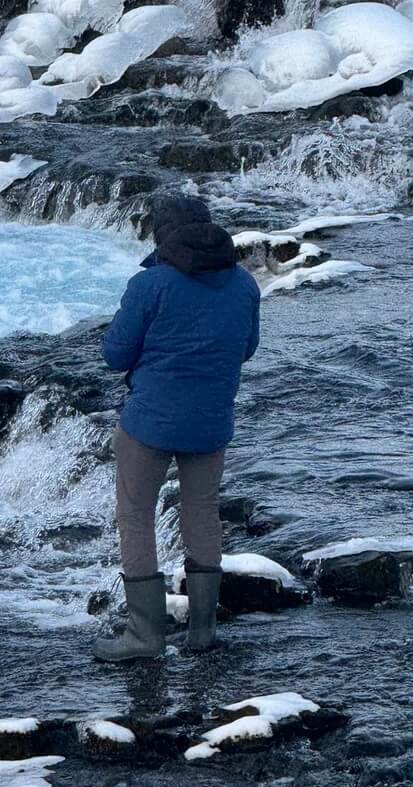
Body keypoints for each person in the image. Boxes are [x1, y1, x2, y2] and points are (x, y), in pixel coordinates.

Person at [94, 195, 260, 663]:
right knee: (203, 513)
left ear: (161, 235)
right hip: (211, 422)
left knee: (136, 515)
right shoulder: (244, 284)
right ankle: (203, 630)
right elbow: (246, 349)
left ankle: (145, 635)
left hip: (150, 423)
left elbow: (114, 356)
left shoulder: (150, 285)